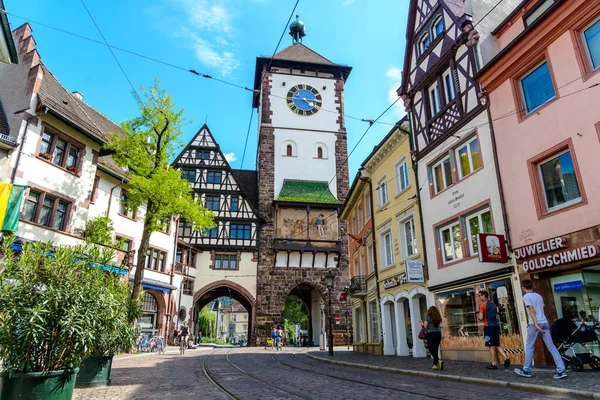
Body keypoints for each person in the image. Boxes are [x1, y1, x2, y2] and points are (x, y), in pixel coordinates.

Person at [514, 280, 567, 379]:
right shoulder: (539, 296)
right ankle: (561, 370)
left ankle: (526, 370)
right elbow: (541, 310)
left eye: (522, 287)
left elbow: (532, 311)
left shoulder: (526, 297)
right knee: (551, 347)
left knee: (530, 346)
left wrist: (535, 324)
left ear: (523, 287)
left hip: (536, 324)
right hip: (544, 322)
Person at [478, 290, 510, 369]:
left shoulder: (482, 305)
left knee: (491, 346)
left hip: (488, 326)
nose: (479, 297)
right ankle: (506, 358)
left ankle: (493, 363)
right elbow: (496, 316)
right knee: (496, 344)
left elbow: (480, 318)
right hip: (495, 325)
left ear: (483, 296)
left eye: (479, 296)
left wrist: (480, 316)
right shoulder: (494, 305)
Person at [420, 306, 443, 370]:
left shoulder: (428, 317)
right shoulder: (438, 318)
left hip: (431, 334)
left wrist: (422, 323)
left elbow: (425, 327)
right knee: (435, 349)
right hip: (438, 334)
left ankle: (438, 361)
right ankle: (435, 365)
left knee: (431, 349)